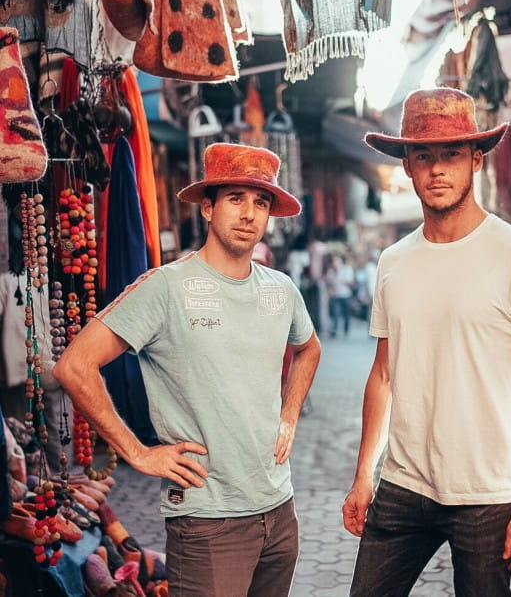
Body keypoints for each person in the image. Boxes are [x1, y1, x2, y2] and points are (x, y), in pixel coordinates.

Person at [54, 143, 321, 597]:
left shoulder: (282, 289)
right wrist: (139, 453)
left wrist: (289, 414)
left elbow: (309, 349)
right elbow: (74, 365)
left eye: (261, 202)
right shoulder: (166, 287)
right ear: (208, 207)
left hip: (278, 510)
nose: (249, 214)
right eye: (236, 198)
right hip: (207, 520)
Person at [342, 88, 511, 597]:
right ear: (407, 166)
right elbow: (382, 376)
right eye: (423, 155)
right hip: (403, 485)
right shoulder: (392, 262)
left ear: (476, 160)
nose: (437, 169)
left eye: (451, 154)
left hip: (489, 494)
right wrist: (364, 476)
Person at [325, 253, 355, 337]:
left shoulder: (347, 269)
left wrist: (343, 279)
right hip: (335, 295)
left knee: (346, 314)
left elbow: (351, 282)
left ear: (341, 261)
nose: (335, 262)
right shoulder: (330, 271)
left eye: (337, 260)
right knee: (335, 313)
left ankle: (346, 329)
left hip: (346, 295)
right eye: (334, 261)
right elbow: (327, 282)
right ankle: (334, 330)